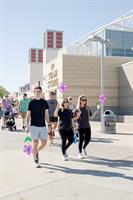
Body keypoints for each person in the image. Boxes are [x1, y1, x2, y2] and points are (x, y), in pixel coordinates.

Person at [26, 86, 49, 168]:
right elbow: (28, 115)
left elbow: (46, 114)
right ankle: (35, 160)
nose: (38, 92)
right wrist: (27, 125)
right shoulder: (31, 103)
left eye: (39, 91)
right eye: (36, 91)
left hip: (43, 126)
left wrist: (49, 124)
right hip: (33, 126)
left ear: (41, 92)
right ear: (34, 92)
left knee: (44, 143)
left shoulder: (45, 102)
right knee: (35, 142)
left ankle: (35, 152)